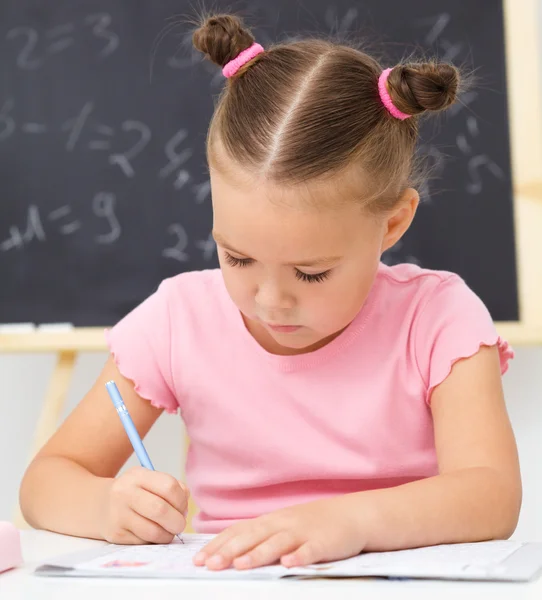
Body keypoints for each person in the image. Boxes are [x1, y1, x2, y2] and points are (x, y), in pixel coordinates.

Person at [20, 13, 521, 572]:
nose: (269, 300)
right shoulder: (178, 320)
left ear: (393, 224)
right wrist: (105, 506)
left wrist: (350, 522)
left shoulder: (438, 317)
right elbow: (46, 482)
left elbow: (491, 496)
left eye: (310, 273)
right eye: (237, 258)